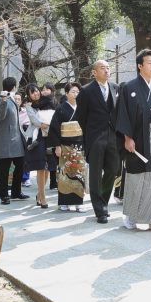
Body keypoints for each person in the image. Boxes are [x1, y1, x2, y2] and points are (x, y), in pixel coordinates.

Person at [115, 49, 151, 231]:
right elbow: (122, 114)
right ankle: (131, 216)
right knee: (138, 179)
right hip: (138, 139)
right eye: (150, 63)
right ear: (140, 66)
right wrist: (127, 138)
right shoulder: (129, 88)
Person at [75, 59, 121, 224]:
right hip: (95, 137)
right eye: (103, 68)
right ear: (94, 72)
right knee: (95, 174)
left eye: (108, 67)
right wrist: (90, 133)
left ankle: (104, 200)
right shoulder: (86, 91)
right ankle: (100, 209)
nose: (107, 70)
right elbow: (80, 117)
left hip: (113, 136)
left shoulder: (116, 88)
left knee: (113, 169)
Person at [48, 82, 86, 211]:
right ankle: (64, 202)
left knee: (79, 173)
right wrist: (57, 146)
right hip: (65, 145)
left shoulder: (82, 107)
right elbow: (54, 128)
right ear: (66, 93)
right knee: (65, 173)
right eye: (73, 92)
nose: (75, 94)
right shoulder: (61, 108)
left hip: (79, 145)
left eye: (77, 92)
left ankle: (78, 203)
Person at [0, 77, 27, 205]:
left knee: (20, 165)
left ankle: (16, 192)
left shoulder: (13, 98)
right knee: (4, 168)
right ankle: (4, 195)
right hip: (6, 140)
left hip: (16, 139)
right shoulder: (1, 99)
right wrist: (3, 101)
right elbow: (0, 117)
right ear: (14, 86)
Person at [22, 84, 53, 208]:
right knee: (41, 167)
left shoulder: (46, 102)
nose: (36, 94)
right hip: (36, 138)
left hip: (49, 137)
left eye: (36, 91)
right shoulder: (29, 106)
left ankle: (39, 193)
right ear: (29, 95)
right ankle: (43, 197)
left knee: (48, 168)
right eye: (32, 92)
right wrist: (43, 123)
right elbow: (35, 121)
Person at [42, 83, 59, 190]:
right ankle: (48, 182)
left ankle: (53, 181)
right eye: (43, 89)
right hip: (43, 130)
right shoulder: (42, 101)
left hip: (51, 131)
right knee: (47, 158)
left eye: (46, 89)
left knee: (53, 158)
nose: (43, 91)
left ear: (51, 90)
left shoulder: (53, 101)